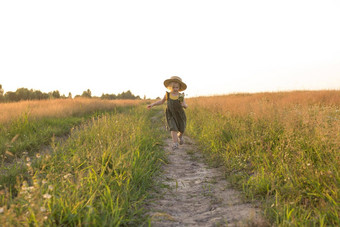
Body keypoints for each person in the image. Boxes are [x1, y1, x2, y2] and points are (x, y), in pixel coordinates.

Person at [147, 76, 188, 150]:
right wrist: (152, 104)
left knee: (182, 129)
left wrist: (184, 105)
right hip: (171, 114)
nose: (175, 89)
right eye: (173, 87)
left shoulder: (180, 96)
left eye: (177, 87)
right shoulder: (168, 95)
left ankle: (180, 136)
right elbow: (161, 101)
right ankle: (175, 143)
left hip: (180, 114)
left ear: (179, 88)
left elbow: (185, 105)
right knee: (173, 128)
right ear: (170, 87)